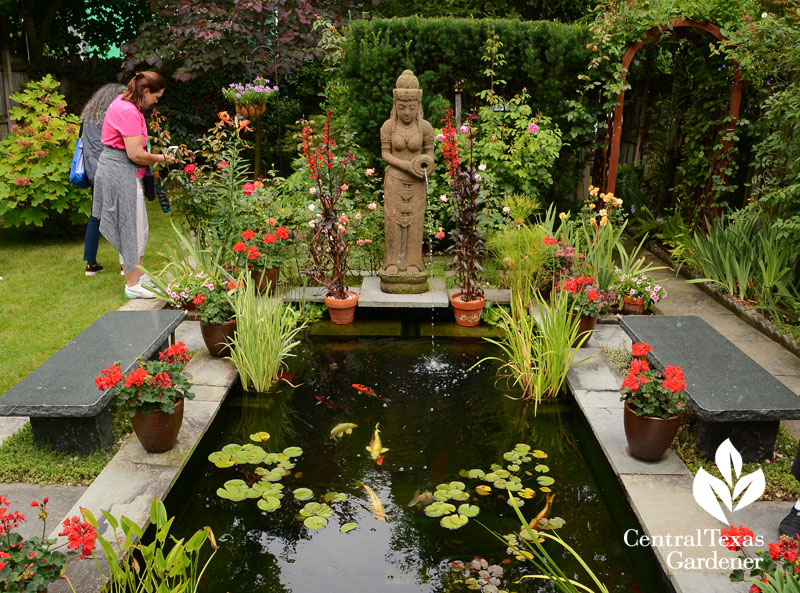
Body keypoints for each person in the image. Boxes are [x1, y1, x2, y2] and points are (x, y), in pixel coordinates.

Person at [93, 71, 175, 299]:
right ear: (146, 91)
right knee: (131, 229)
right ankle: (132, 285)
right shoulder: (127, 111)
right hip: (119, 174)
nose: (156, 102)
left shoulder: (125, 102)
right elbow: (136, 154)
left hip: (121, 172)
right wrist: (162, 158)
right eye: (156, 97)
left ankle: (138, 278)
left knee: (136, 227)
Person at [377, 69, 434, 294]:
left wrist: (423, 164)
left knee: (415, 222)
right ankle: (392, 262)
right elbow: (386, 155)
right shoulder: (389, 127)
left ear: (418, 106)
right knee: (393, 222)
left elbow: (430, 155)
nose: (407, 112)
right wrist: (406, 166)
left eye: (411, 107)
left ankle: (412, 262)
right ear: (396, 104)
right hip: (394, 179)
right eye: (402, 107)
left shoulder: (425, 127)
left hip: (417, 183)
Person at [81, 83, 126, 276]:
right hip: (111, 169)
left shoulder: (88, 118)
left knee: (96, 216)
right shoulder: (112, 116)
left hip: (93, 172)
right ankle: (127, 266)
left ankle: (90, 264)